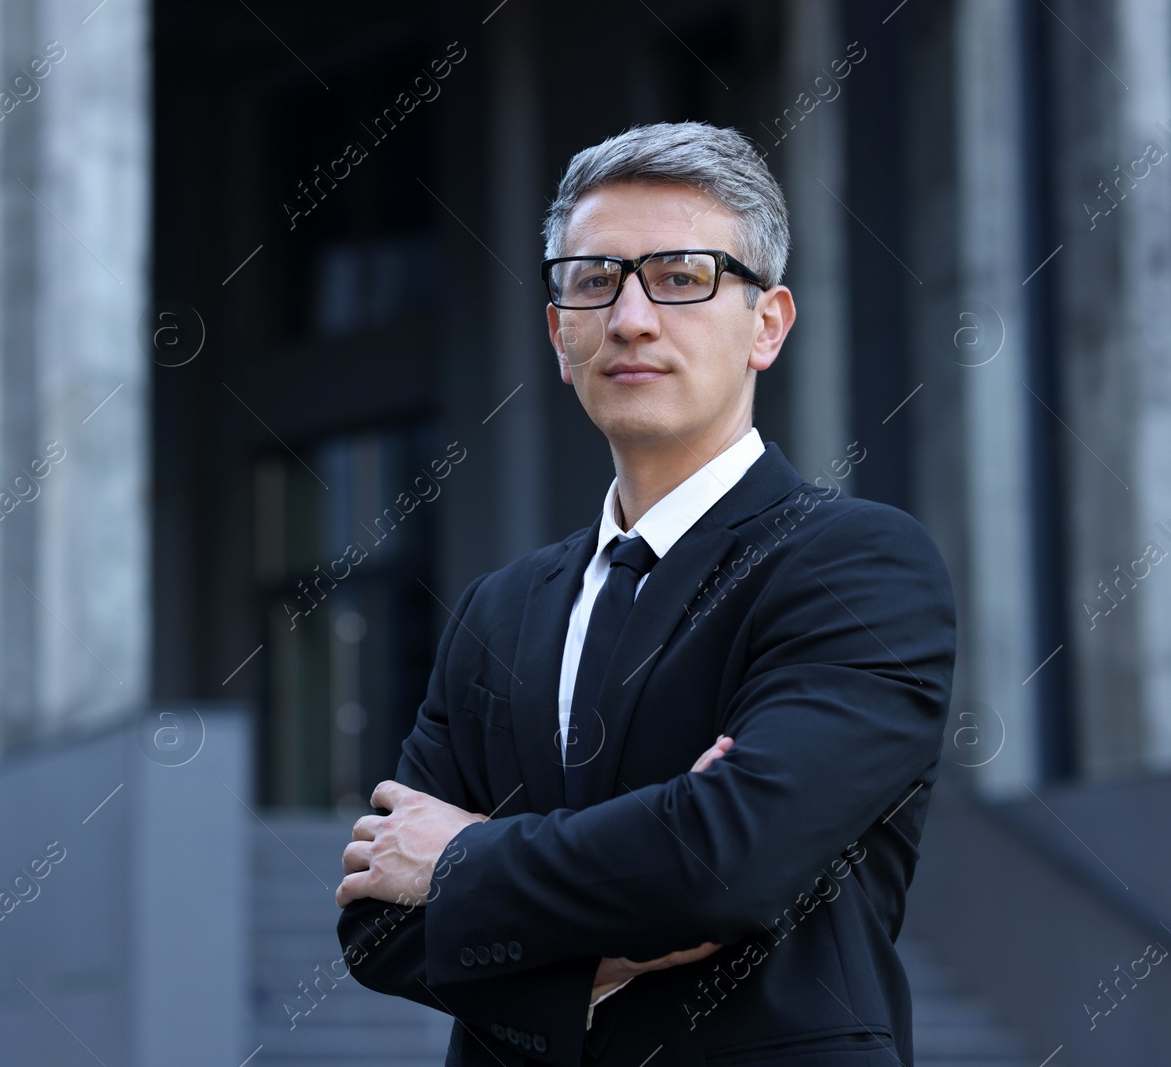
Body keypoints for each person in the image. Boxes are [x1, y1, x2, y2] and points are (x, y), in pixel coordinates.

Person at [333, 120, 956, 1066]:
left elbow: (722, 859)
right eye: (595, 281)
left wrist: (460, 863)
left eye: (682, 277)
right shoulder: (498, 608)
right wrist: (622, 934)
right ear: (558, 332)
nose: (631, 318)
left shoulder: (857, 564)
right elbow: (377, 922)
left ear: (769, 324)